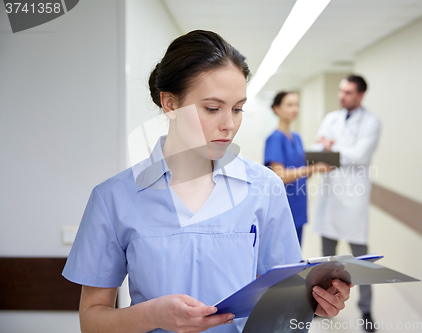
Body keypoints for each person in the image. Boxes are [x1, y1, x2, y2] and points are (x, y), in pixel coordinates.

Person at [62, 30, 351, 333]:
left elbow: (286, 302)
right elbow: (92, 321)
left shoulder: (264, 188)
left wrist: (315, 302)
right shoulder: (113, 198)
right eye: (212, 108)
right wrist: (153, 316)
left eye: (238, 108)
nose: (229, 124)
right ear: (171, 105)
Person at [313, 74, 381, 332]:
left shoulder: (372, 122)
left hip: (354, 201)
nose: (342, 96)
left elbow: (359, 155)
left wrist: (332, 148)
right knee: (325, 263)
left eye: (348, 92)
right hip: (331, 198)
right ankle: (320, 304)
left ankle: (366, 311)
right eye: (341, 91)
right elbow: (315, 149)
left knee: (361, 263)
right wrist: (329, 150)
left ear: (360, 95)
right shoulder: (331, 118)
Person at [264, 92, 330, 245]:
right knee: (283, 261)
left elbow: (301, 174)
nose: (295, 109)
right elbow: (279, 176)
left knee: (297, 256)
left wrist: (319, 163)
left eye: (296, 104)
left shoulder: (297, 137)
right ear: (276, 109)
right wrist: (312, 168)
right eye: (289, 105)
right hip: (283, 207)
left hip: (299, 205)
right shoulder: (275, 139)